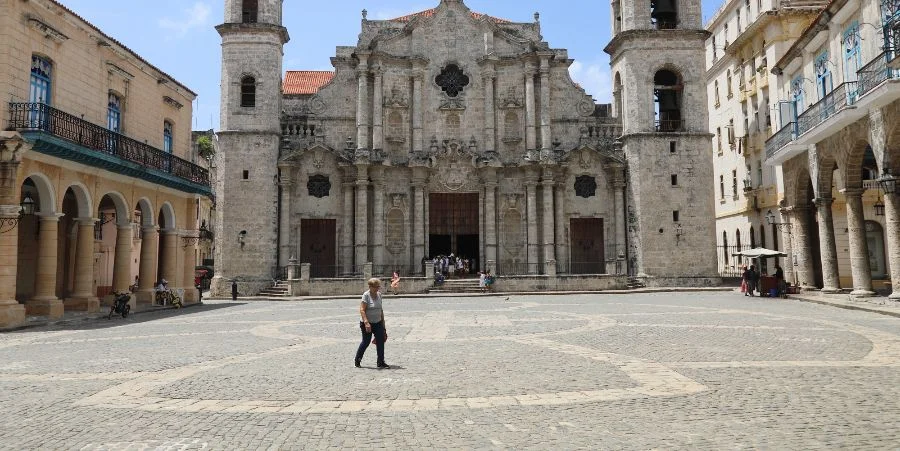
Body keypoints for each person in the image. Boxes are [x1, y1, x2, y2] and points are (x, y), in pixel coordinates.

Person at [355, 278, 389, 369]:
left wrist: (383, 325)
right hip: (367, 323)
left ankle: (381, 362)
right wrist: (366, 323)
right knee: (366, 342)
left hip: (378, 322)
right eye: (376, 287)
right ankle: (357, 359)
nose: (378, 288)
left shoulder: (379, 295)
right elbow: (362, 310)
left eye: (378, 286)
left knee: (380, 341)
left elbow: (380, 310)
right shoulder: (366, 295)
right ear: (370, 287)